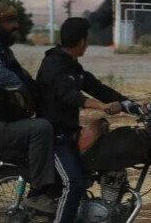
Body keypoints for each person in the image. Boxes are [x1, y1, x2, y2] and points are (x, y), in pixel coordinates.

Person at [0, 2, 56, 214]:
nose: (15, 26)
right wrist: (22, 89)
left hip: (3, 120)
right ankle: (41, 193)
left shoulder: (2, 50)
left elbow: (23, 76)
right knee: (41, 129)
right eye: (10, 21)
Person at [36, 17, 129, 223]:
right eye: (86, 39)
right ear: (81, 41)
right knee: (74, 183)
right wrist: (100, 106)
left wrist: (131, 104)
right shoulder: (53, 64)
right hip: (54, 136)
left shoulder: (73, 66)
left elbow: (97, 87)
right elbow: (68, 95)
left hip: (70, 132)